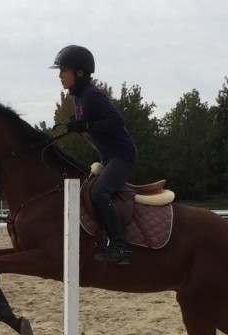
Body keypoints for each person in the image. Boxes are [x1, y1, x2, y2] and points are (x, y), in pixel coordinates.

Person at [50, 45, 138, 265]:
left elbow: (118, 121)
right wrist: (76, 123)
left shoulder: (93, 95)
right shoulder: (78, 97)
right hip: (109, 158)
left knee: (99, 193)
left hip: (122, 156)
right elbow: (88, 121)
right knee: (87, 190)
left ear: (79, 73)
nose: (60, 75)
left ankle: (120, 248)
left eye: (64, 70)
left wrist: (87, 124)